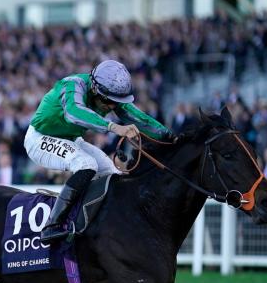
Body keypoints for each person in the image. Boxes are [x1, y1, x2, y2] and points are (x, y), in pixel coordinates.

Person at [25, 59, 172, 242]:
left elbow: (140, 119)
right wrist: (113, 126)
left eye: (116, 102)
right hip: (39, 139)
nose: (112, 106)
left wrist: (170, 137)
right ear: (95, 89)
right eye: (109, 101)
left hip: (70, 139)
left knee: (112, 173)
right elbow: (74, 112)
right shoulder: (72, 85)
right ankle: (51, 226)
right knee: (87, 164)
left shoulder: (107, 95)